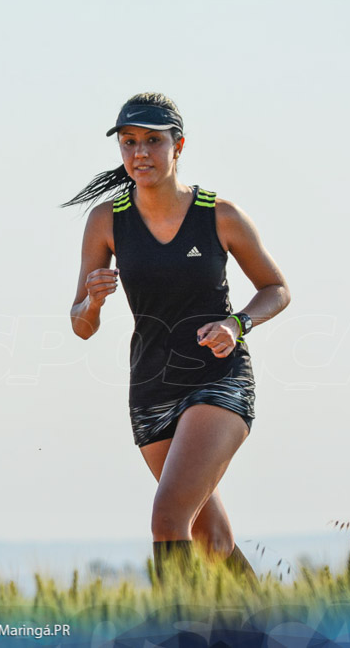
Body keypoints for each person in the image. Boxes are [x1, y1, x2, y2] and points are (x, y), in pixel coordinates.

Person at [63, 92, 291, 586]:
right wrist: (94, 301)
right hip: (150, 387)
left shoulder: (219, 214)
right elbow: (81, 323)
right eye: (129, 142)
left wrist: (237, 324)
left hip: (218, 378)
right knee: (212, 540)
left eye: (152, 141)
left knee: (168, 518)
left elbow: (277, 289)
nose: (139, 153)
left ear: (178, 145)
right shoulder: (106, 220)